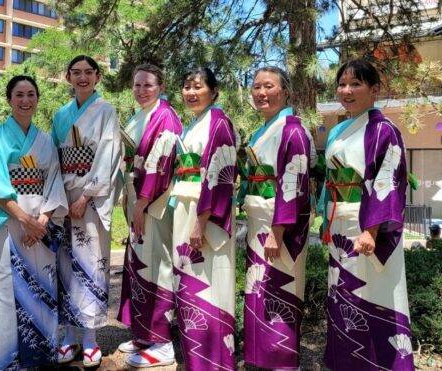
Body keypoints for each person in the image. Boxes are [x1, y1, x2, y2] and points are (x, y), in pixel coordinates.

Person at [322, 59, 414, 370]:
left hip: (366, 227)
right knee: (342, 293)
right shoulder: (338, 131)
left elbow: (386, 179)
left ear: (374, 90)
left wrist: (371, 231)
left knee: (374, 294)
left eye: (356, 84)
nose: (346, 90)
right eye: (342, 84)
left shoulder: (383, 130)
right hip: (340, 224)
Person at [0, 75, 68, 369]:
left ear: (37, 99)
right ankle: (5, 361)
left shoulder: (45, 140)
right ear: (9, 99)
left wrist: (41, 221)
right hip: (8, 226)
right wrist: (24, 221)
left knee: (42, 288)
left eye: (31, 94)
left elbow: (54, 181)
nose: (25, 100)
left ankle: (41, 356)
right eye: (19, 95)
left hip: (40, 225)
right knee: (5, 294)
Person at [52, 55, 123, 367]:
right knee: (64, 264)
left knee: (92, 264)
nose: (82, 78)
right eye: (76, 73)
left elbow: (109, 153)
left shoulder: (106, 111)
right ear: (68, 77)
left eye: (88, 73)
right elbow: (52, 157)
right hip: (63, 196)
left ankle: (91, 337)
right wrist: (60, 198)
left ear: (97, 77)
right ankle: (67, 335)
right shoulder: (60, 115)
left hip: (91, 198)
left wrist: (87, 195)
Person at [242, 66, 315, 370]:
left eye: (269, 86)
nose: (261, 93)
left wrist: (278, 230)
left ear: (285, 91)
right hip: (260, 219)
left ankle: (284, 361)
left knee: (281, 287)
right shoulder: (264, 130)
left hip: (278, 223)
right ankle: (263, 357)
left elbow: (293, 183)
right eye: (257, 87)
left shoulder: (292, 130)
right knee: (259, 288)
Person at [116, 63, 183, 368]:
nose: (141, 90)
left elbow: (160, 164)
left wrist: (142, 204)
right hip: (137, 198)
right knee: (139, 265)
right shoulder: (139, 116)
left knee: (157, 265)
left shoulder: (165, 117)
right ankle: (143, 333)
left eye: (148, 85)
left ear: (161, 86)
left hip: (154, 202)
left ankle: (163, 341)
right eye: (137, 85)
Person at [171, 67, 238, 370]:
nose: (191, 92)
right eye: (186, 86)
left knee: (209, 280)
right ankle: (196, 357)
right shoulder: (192, 125)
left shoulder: (219, 122)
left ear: (213, 91)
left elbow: (218, 175)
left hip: (204, 210)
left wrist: (202, 220)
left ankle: (215, 359)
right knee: (189, 280)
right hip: (186, 206)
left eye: (198, 86)